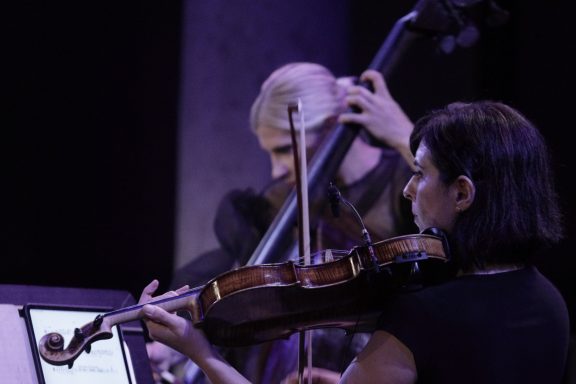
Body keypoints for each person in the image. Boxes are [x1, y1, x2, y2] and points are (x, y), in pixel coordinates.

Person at [140, 100, 571, 383]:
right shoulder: (551, 301)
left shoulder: (424, 313)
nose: (407, 189)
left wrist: (200, 352)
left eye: (420, 173)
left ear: (462, 193)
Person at [146, 62, 418, 383]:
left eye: (284, 150)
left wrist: (406, 138)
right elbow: (243, 287)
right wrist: (174, 347)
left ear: (331, 125)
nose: (276, 171)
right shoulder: (280, 200)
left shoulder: (406, 183)